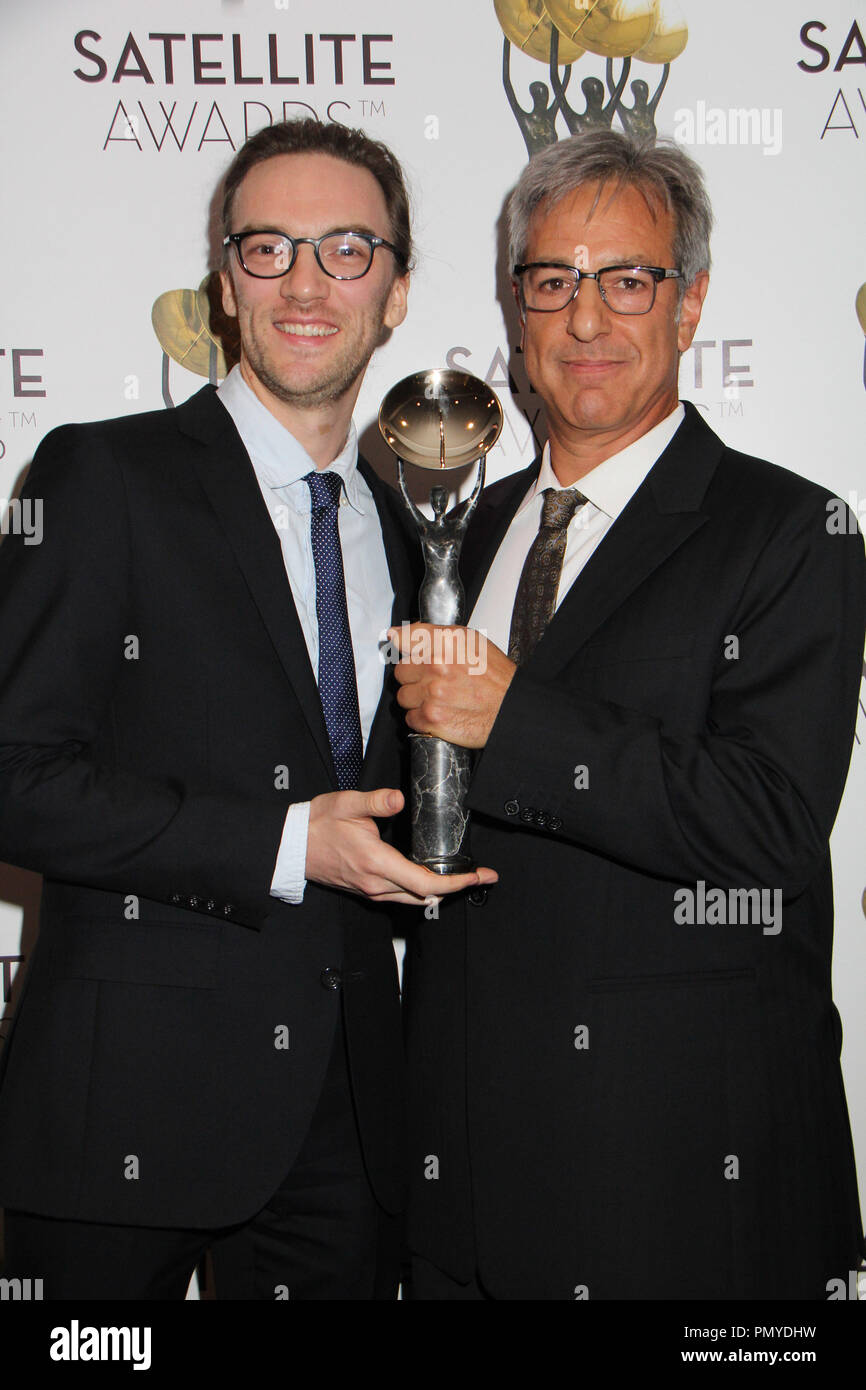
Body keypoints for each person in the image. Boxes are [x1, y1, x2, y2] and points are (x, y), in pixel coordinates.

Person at [0, 118, 494, 1301]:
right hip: (119, 1114)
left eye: (345, 249)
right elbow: (14, 773)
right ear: (224, 284)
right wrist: (284, 844)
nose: (306, 283)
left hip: (348, 1128)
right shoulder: (102, 475)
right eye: (268, 249)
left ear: (397, 290)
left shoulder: (416, 524)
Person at [393, 130, 866, 1299]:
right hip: (464, 1168)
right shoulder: (460, 524)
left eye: (626, 280)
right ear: (515, 309)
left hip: (681, 1177)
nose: (585, 320)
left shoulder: (790, 530)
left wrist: (517, 718)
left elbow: (765, 826)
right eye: (552, 281)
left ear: (688, 301)